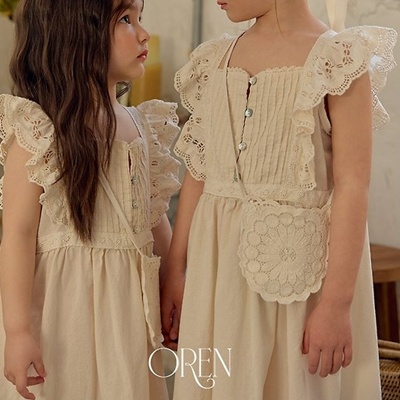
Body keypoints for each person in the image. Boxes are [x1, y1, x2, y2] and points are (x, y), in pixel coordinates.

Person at [161, 0, 397, 399]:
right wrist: (176, 271)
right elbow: (198, 175)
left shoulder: (338, 61)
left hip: (299, 285)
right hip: (217, 278)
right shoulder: (214, 60)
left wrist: (336, 304)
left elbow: (353, 185)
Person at [0, 0, 180, 399]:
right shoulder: (39, 130)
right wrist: (17, 331)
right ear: (77, 32)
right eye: (125, 20)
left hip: (128, 312)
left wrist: (173, 285)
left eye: (141, 18)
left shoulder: (142, 126)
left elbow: (153, 218)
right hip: (63, 315)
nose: (144, 33)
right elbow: (17, 234)